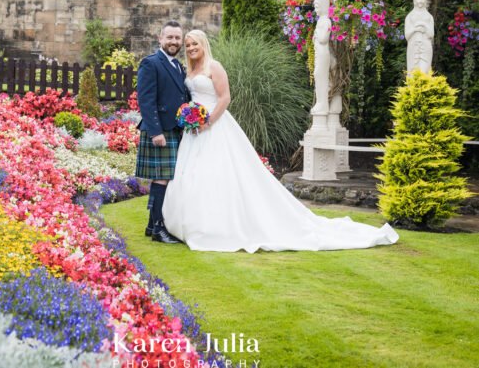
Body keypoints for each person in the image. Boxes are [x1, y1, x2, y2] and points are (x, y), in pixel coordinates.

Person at [163, 29, 399, 253]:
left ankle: (220, 226)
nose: (191, 47)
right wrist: (191, 117)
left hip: (215, 126)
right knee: (196, 174)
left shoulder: (213, 67)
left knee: (220, 173)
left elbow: (225, 98)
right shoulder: (189, 70)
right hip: (194, 131)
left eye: (195, 43)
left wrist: (208, 122)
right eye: (188, 45)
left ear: (204, 44)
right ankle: (193, 222)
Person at [134, 20, 189, 244]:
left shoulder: (177, 65)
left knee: (165, 177)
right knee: (162, 179)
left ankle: (151, 225)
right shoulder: (151, 63)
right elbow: (146, 100)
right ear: (160, 38)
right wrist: (156, 131)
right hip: (160, 131)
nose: (174, 42)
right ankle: (158, 229)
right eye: (170, 37)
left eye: (177, 38)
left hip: (174, 129)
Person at [405, 0, 434, 73]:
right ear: (414, 0)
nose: (420, 1)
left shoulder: (429, 17)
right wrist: (415, 29)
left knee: (425, 71)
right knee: (412, 72)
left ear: (425, 0)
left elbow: (431, 35)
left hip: (425, 46)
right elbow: (407, 36)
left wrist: (424, 25)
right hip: (413, 46)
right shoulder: (410, 16)